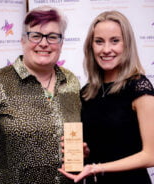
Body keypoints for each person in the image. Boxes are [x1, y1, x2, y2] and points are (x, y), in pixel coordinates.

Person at [0, 6, 82, 184]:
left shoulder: (71, 82)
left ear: (61, 42)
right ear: (23, 40)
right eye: (35, 35)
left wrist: (82, 152)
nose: (44, 43)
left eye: (52, 36)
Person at [58, 10, 154, 184]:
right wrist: (83, 152)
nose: (106, 49)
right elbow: (102, 145)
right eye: (99, 41)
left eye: (115, 41)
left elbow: (151, 155)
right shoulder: (87, 92)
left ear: (127, 45)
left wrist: (98, 167)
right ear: (91, 46)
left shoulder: (139, 87)